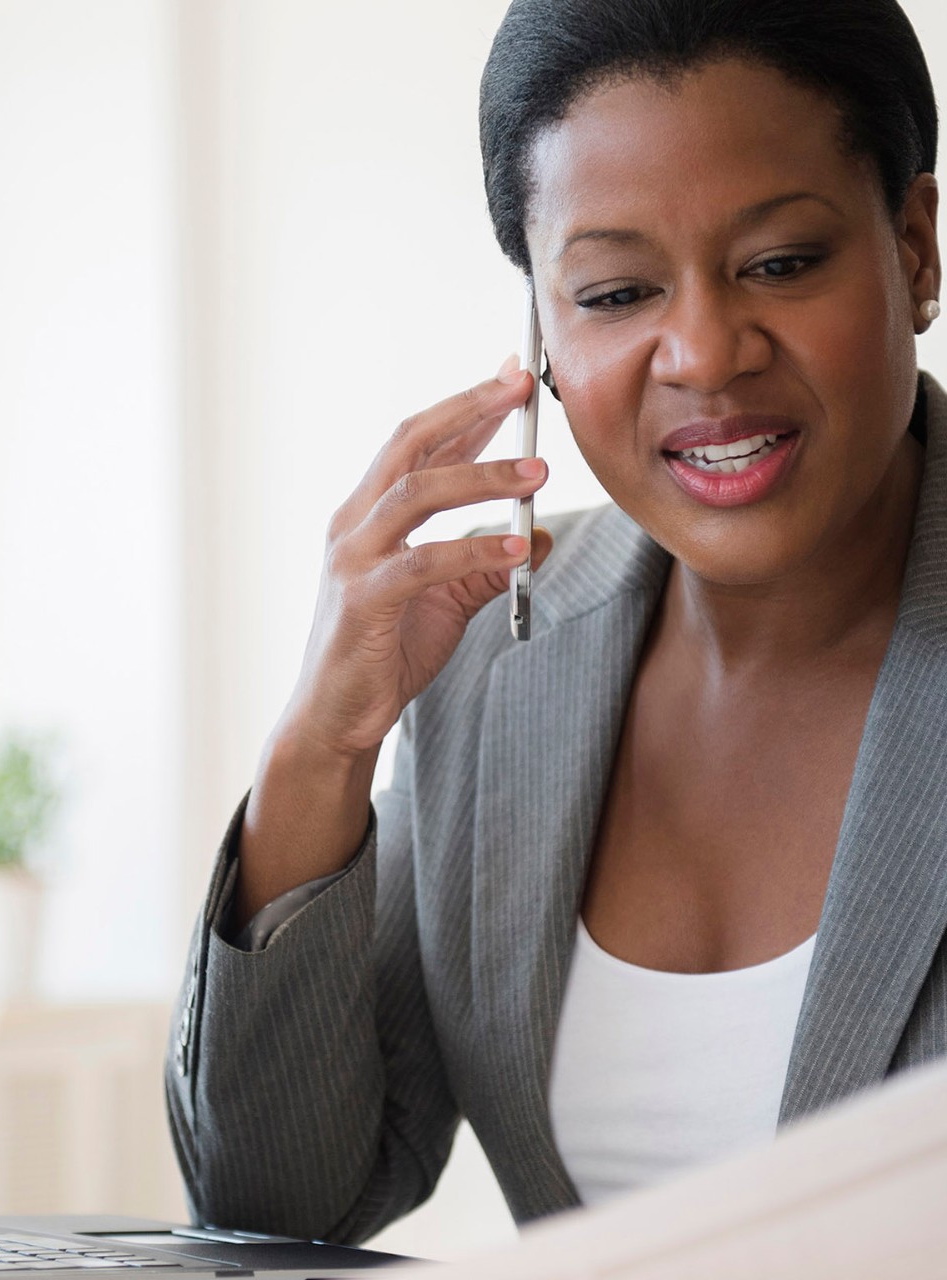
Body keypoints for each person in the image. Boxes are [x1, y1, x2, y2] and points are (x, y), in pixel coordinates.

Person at [166, 0, 947, 1243]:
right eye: (616, 289)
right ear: (536, 329)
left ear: (912, 247)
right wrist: (320, 745)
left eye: (780, 263)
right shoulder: (493, 657)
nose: (700, 349)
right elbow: (278, 1200)